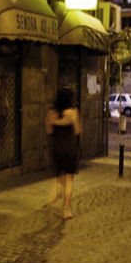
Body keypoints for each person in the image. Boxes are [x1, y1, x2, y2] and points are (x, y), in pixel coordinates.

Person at [45, 88, 81, 220]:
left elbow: (49, 131)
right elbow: (77, 131)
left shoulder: (51, 113)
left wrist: (57, 124)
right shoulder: (73, 112)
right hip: (70, 148)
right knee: (69, 179)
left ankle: (56, 195)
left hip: (57, 147)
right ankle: (66, 211)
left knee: (59, 175)